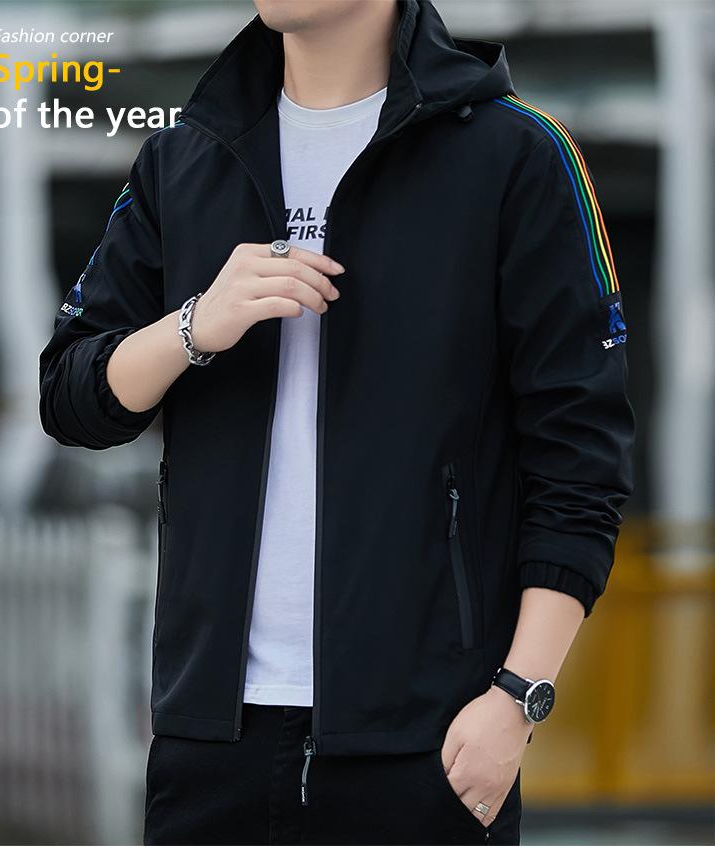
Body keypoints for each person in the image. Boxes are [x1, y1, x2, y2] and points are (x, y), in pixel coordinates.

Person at [39, 0, 635, 846]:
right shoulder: (185, 156)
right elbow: (70, 396)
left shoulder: (516, 156)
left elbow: (581, 460)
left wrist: (516, 697)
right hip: (210, 740)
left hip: (427, 742)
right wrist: (195, 325)